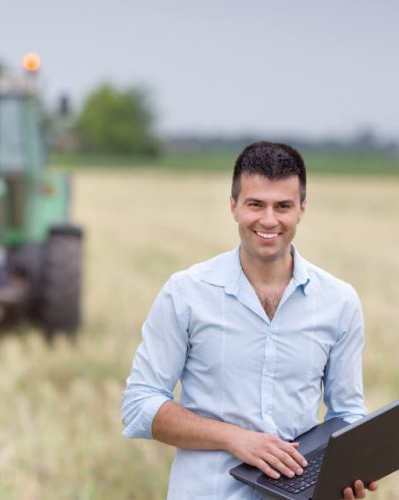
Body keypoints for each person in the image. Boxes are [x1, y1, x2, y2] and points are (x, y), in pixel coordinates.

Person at [122, 141, 379, 500]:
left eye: (283, 206)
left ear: (302, 209)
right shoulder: (186, 293)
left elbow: (347, 412)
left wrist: (350, 471)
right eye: (255, 204)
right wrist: (235, 438)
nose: (269, 220)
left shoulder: (339, 301)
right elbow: (140, 406)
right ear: (233, 206)